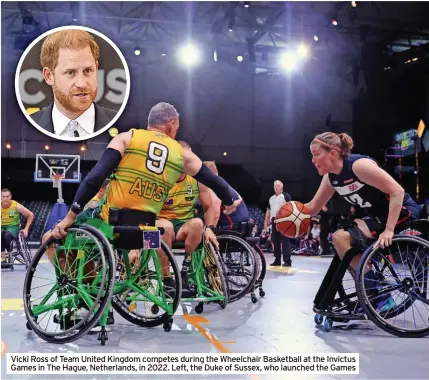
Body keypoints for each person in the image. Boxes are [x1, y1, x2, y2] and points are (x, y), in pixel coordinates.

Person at [43, 102, 241, 328]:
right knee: (153, 232)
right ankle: (101, 297)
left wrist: (69, 217)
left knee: (50, 240)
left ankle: (86, 302)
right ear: (171, 123)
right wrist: (229, 200)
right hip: (147, 234)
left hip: (110, 226)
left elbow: (95, 177)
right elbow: (215, 182)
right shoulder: (182, 154)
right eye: (177, 126)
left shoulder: (127, 138)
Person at [306, 132, 420, 312]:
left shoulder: (358, 166)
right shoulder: (331, 178)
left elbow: (397, 191)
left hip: (400, 211)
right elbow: (312, 207)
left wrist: (389, 229)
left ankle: (378, 295)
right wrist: (287, 214)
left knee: (341, 238)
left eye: (316, 153)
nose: (312, 160)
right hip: (375, 215)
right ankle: (372, 292)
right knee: (342, 241)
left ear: (333, 153)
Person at [155, 143, 221, 296]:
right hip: (160, 222)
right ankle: (167, 280)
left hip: (184, 225)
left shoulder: (196, 179)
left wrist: (210, 228)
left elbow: (209, 207)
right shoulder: (159, 176)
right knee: (166, 227)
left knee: (198, 223)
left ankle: (185, 271)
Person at [30, 29, 116, 137]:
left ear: (96, 68)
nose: (82, 84)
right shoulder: (23, 128)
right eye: (70, 72)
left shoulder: (123, 126)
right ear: (49, 76)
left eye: (87, 71)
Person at [204, 161, 248, 231]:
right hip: (243, 223)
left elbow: (216, 212)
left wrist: (209, 230)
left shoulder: (213, 184)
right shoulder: (222, 183)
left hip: (233, 224)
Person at [263, 180, 293, 267]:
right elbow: (268, 210)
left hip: (284, 220)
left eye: (278, 186)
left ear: (282, 187)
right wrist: (266, 222)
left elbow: (291, 208)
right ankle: (277, 260)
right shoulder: (271, 198)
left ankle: (287, 261)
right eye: (275, 186)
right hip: (274, 221)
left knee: (285, 241)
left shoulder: (286, 196)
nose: (276, 187)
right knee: (275, 241)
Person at [1, 189, 34, 262]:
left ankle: (9, 255)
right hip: (2, 226)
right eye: (3, 196)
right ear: (1, 197)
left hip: (13, 227)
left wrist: (26, 229)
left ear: (10, 196)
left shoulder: (16, 205)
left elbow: (30, 215)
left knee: (6, 235)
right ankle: (3, 257)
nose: (5, 199)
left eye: (7, 196)